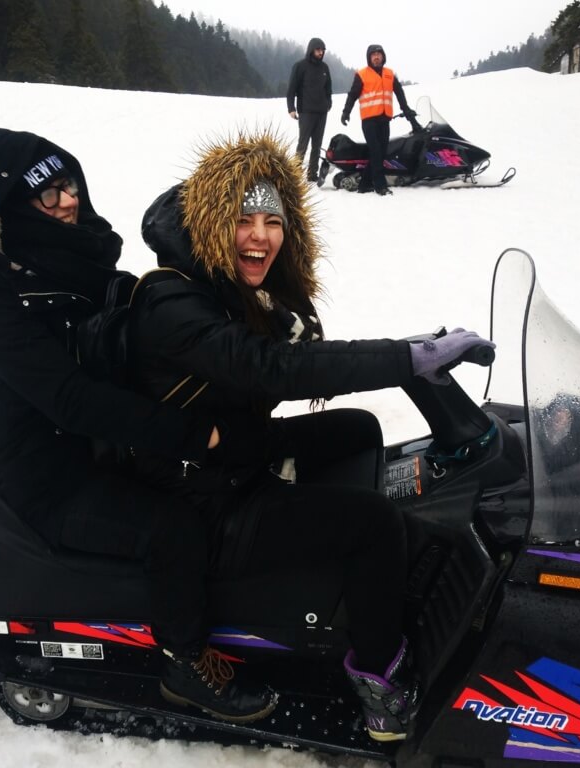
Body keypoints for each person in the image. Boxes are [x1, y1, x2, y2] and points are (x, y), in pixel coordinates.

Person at [127, 131, 493, 741]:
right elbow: (272, 369)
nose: (261, 236)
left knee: (357, 428)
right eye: (244, 220)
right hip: (199, 497)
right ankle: (381, 690)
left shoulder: (231, 286)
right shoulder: (173, 301)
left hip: (233, 456)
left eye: (273, 221)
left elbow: (296, 359)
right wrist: (406, 357)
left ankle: (347, 588)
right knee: (373, 525)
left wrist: (409, 352)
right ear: (213, 223)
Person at [0, 129, 281, 724]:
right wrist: (198, 435)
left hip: (112, 450)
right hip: (55, 476)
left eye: (69, 184)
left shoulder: (80, 263)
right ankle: (185, 665)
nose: (69, 201)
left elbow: (150, 313)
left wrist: (235, 326)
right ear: (3, 214)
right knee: (174, 528)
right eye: (47, 195)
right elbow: (73, 402)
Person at [340, 44, 422, 196]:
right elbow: (352, 95)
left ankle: (364, 185)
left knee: (381, 153)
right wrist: (346, 112)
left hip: (384, 120)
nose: (376, 57)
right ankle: (380, 186)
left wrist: (408, 112)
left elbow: (400, 94)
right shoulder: (362, 74)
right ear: (369, 58)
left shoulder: (389, 74)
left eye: (379, 54)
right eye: (373, 55)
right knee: (376, 151)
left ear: (383, 57)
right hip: (369, 121)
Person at [286, 37, 332, 182]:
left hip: (321, 112)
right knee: (303, 144)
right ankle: (295, 175)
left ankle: (312, 174)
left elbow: (328, 88)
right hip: (306, 112)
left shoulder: (324, 68)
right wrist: (291, 108)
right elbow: (291, 89)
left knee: (317, 146)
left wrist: (328, 103)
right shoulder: (300, 66)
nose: (321, 52)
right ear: (311, 50)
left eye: (322, 50)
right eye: (318, 50)